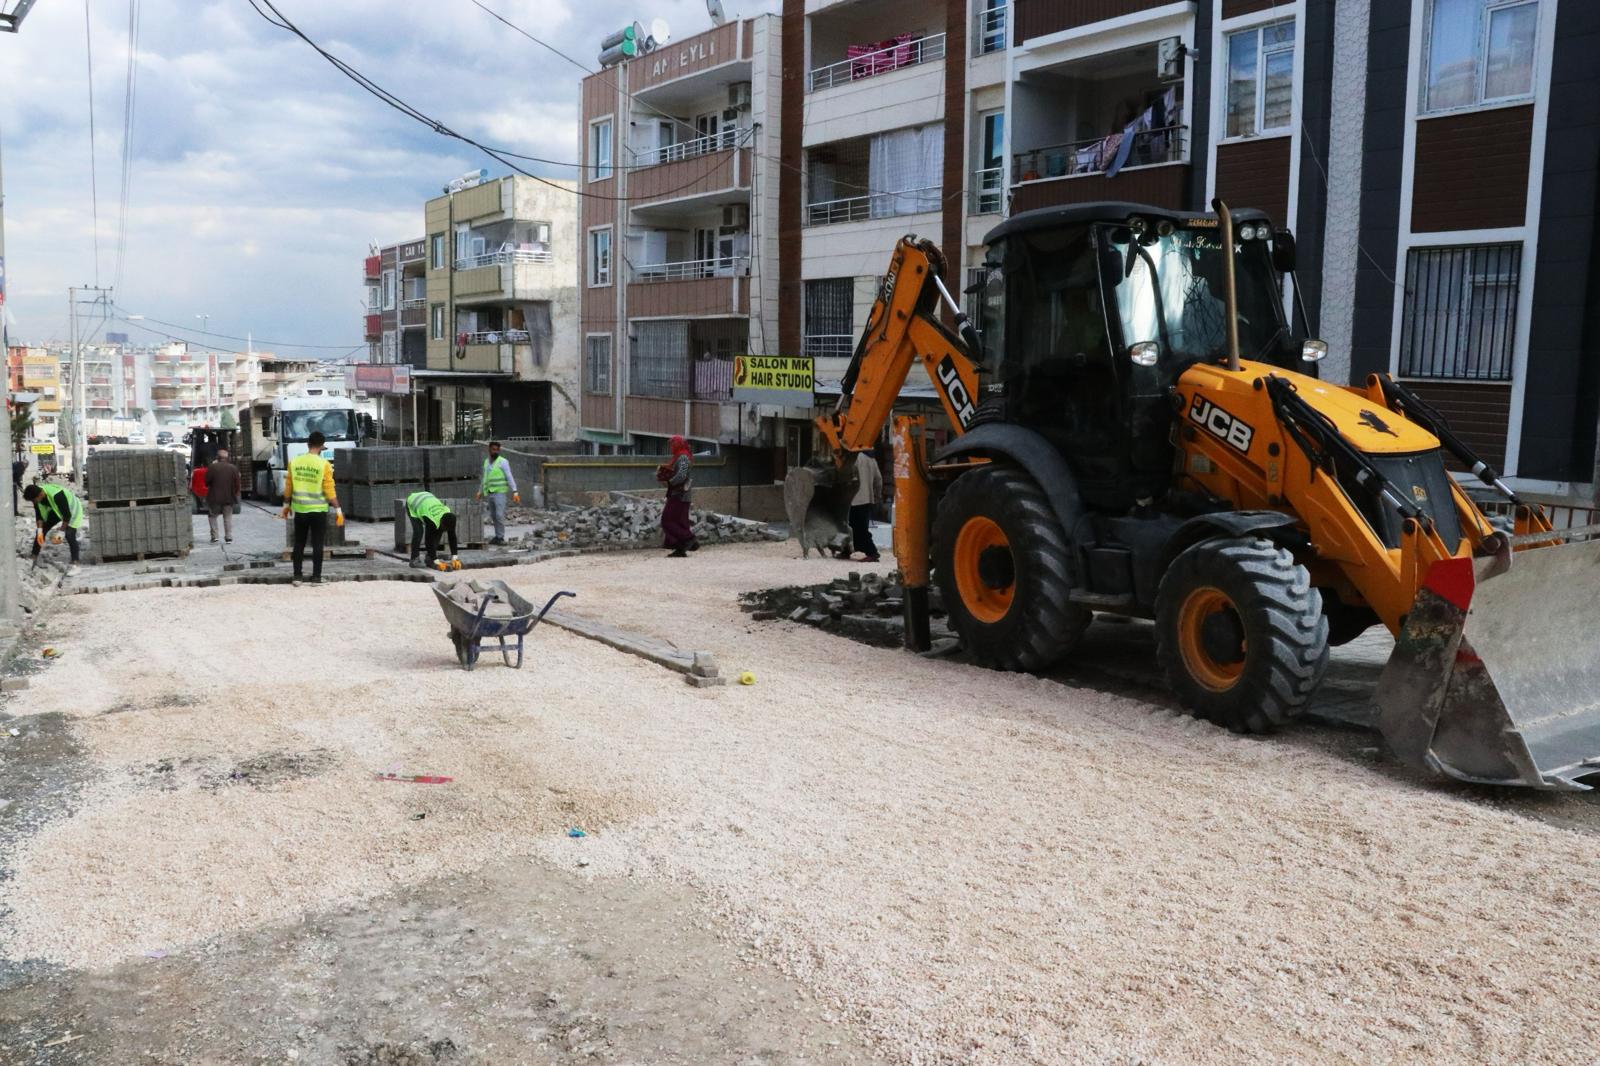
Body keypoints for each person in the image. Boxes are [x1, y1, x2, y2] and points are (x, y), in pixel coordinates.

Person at [279, 431, 341, 585]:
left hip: (300, 510)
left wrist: (286, 506)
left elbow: (288, 487)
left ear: (308, 444)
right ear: (321, 446)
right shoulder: (324, 464)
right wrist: (338, 509)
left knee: (299, 543)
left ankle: (297, 577)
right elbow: (329, 490)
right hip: (318, 511)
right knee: (318, 544)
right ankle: (316, 578)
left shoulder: (294, 462)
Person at [656, 435, 698, 558]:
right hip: (678, 494)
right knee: (679, 521)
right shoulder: (679, 457)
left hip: (680, 495)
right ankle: (681, 548)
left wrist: (669, 482)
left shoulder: (683, 457)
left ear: (678, 444)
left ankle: (689, 539)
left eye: (673, 444)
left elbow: (681, 475)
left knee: (667, 520)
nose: (671, 447)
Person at [24, 482, 83, 568]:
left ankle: (75, 560)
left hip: (72, 509)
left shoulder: (57, 495)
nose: (33, 502)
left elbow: (67, 516)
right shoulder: (36, 495)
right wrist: (40, 531)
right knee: (42, 531)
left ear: (40, 495)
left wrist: (61, 532)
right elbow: (39, 515)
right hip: (57, 510)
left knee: (69, 534)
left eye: (34, 500)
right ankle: (34, 555)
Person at [476, 441, 520, 545]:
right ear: (489, 450)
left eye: (497, 450)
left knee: (499, 515)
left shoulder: (503, 462)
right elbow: (485, 478)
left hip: (500, 493)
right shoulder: (486, 462)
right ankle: (497, 536)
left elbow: (509, 476)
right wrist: (480, 491)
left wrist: (515, 491)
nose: (495, 451)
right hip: (490, 493)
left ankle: (501, 537)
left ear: (499, 451)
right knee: (493, 516)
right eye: (493, 449)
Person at [405, 490, 461, 570]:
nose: (445, 531)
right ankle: (414, 559)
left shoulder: (450, 517)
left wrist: (455, 557)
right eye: (445, 528)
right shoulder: (430, 519)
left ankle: (429, 557)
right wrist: (436, 561)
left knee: (438, 530)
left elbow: (452, 537)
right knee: (419, 531)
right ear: (441, 522)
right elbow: (428, 541)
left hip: (427, 499)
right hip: (413, 502)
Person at [849, 448, 883, 563]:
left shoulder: (853, 457)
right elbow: (878, 479)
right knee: (860, 526)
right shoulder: (871, 458)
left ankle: (872, 552)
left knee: (855, 527)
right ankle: (849, 549)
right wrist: (877, 495)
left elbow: (848, 477)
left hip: (854, 498)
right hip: (867, 498)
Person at [204, 448, 241, 544]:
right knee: (227, 517)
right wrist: (236, 493)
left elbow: (206, 482)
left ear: (217, 457)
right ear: (227, 458)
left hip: (214, 497)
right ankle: (228, 537)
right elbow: (237, 483)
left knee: (212, 516)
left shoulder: (212, 467)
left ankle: (215, 537)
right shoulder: (233, 468)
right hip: (229, 497)